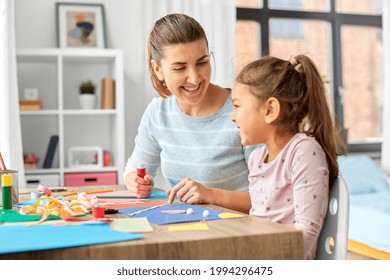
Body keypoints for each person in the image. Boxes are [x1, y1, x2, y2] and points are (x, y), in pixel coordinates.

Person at [124, 13, 256, 211]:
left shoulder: (242, 110)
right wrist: (136, 182)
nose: (194, 78)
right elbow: (134, 169)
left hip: (236, 234)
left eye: (202, 62)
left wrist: (211, 195)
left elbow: (270, 198)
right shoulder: (158, 113)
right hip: (186, 227)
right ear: (158, 69)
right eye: (179, 68)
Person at [230, 54, 345, 259]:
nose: (232, 116)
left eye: (237, 106)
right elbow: (257, 221)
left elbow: (306, 234)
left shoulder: (303, 152)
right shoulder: (257, 159)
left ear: (270, 110)